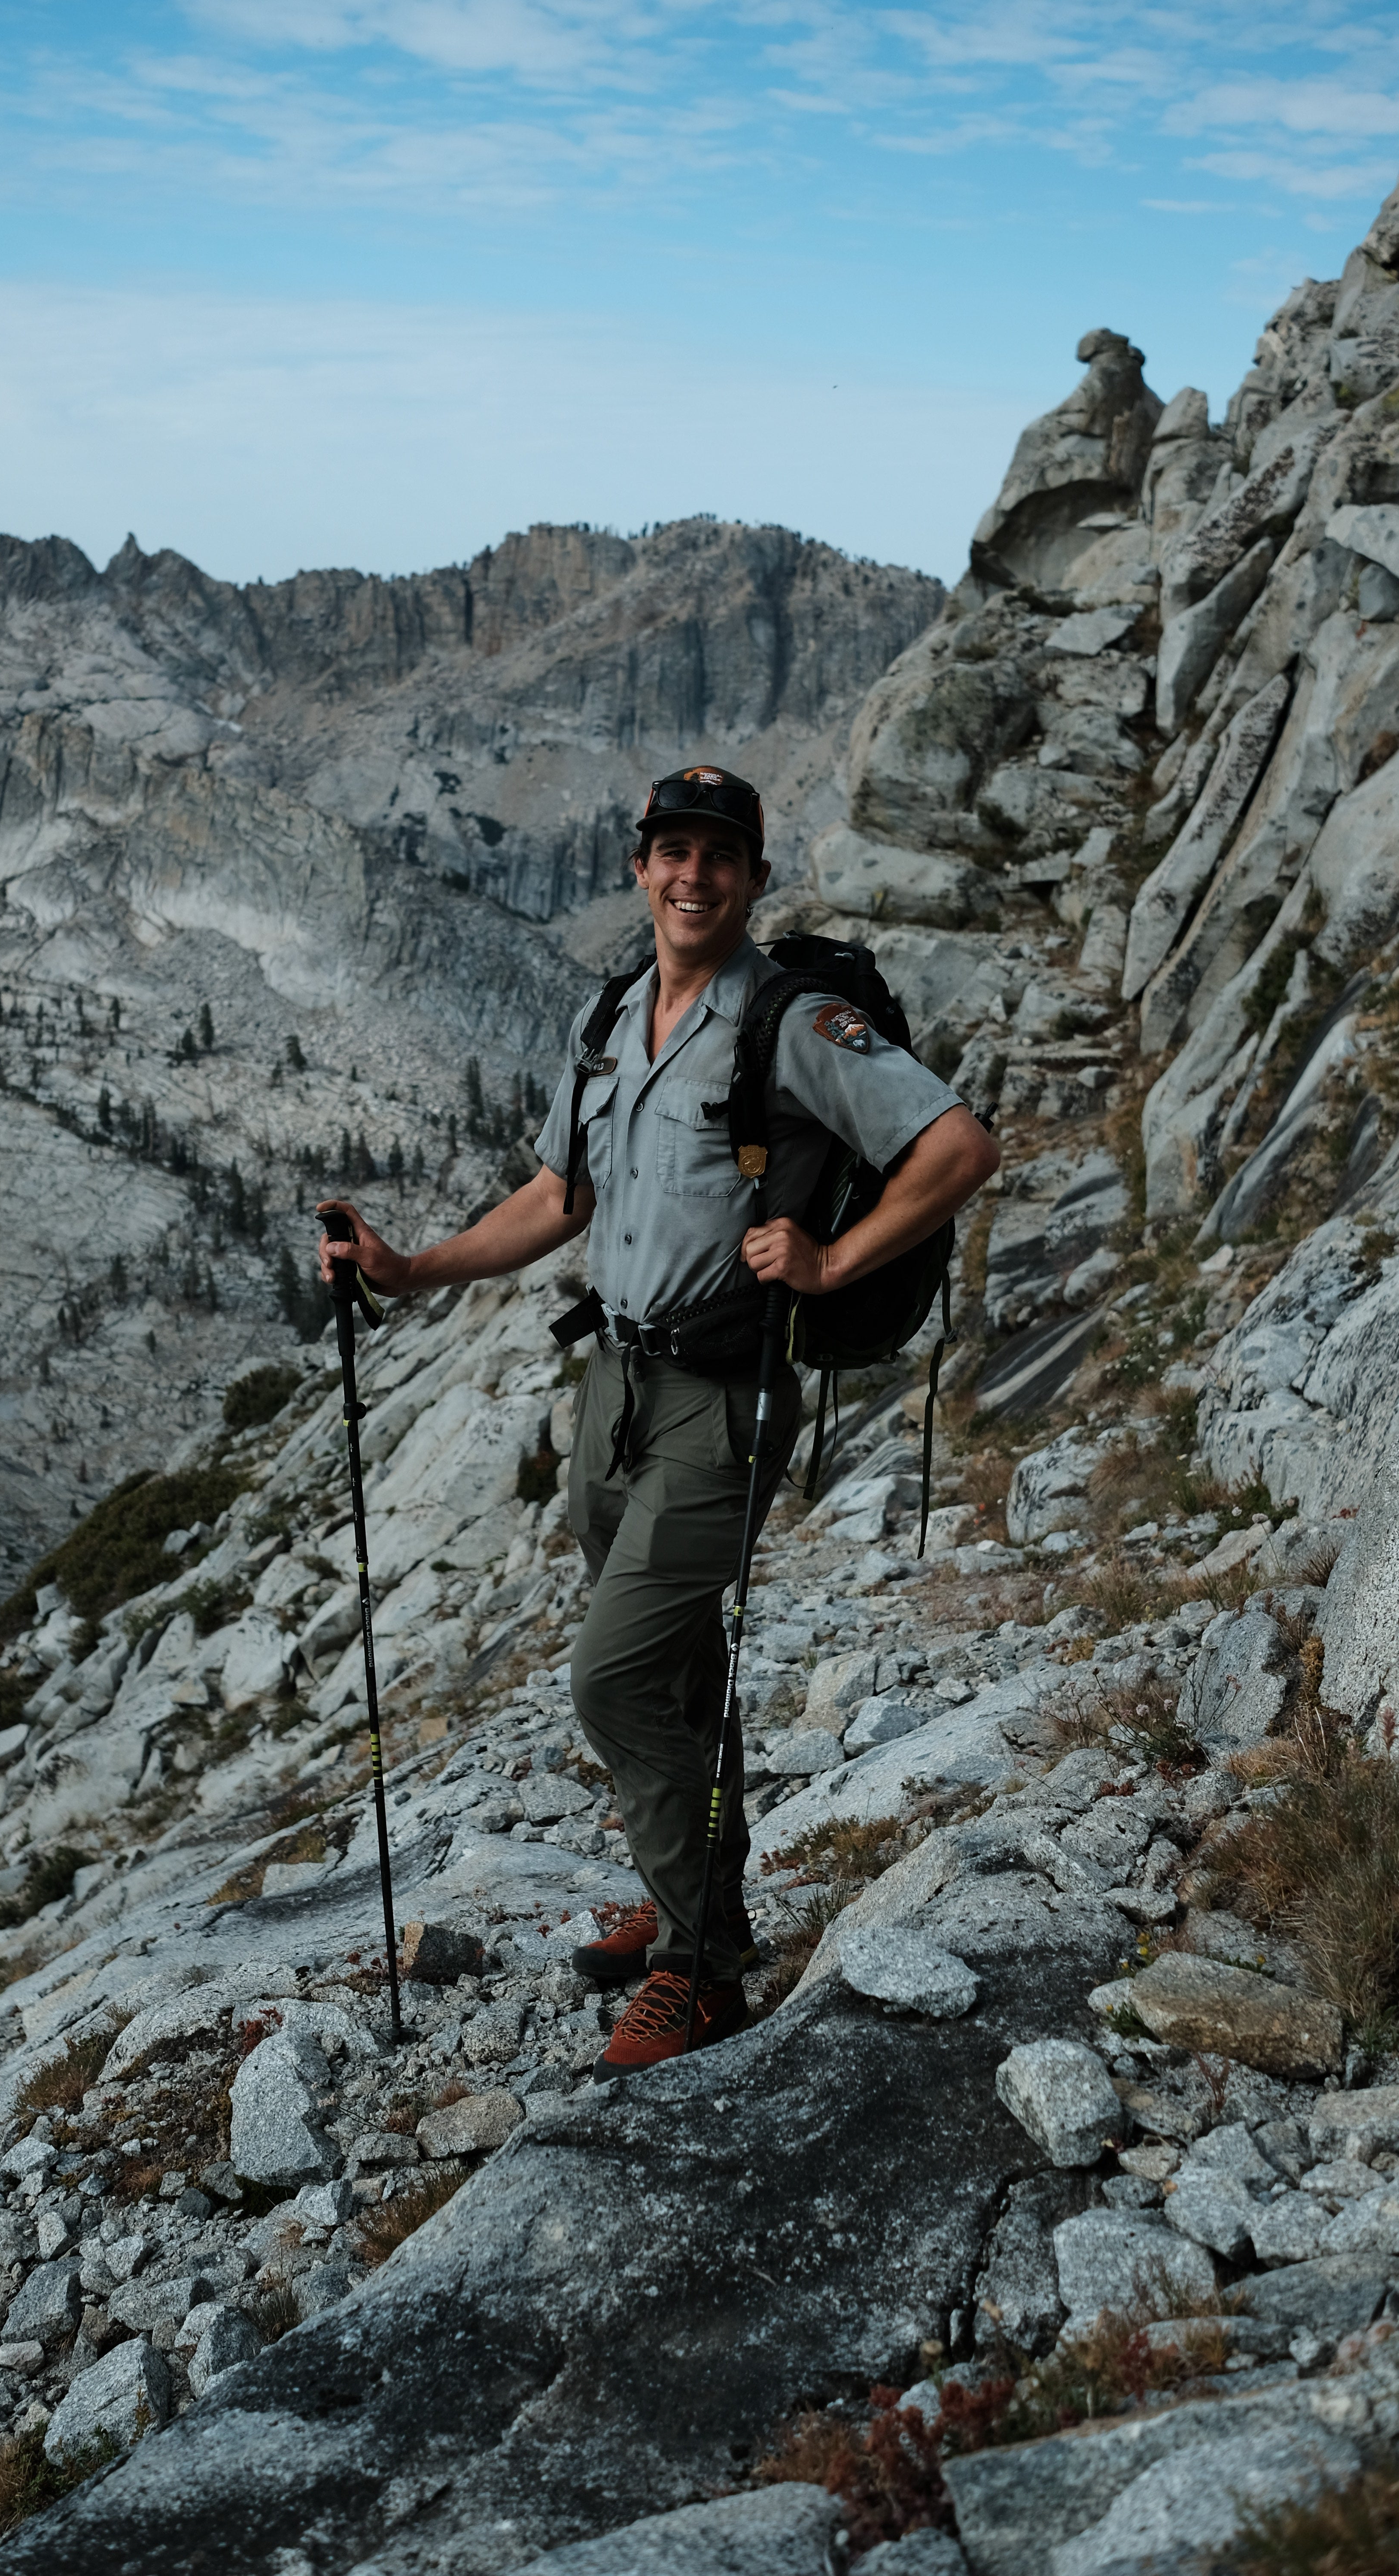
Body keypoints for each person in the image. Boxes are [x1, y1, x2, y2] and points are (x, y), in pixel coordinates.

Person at [316, 765, 998, 2075]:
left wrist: (833, 1263)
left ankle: (701, 1971)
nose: (694, 877)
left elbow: (960, 1149)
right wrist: (410, 1270)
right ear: (640, 867)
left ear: (753, 878)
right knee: (678, 1669)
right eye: (672, 852)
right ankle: (693, 1894)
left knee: (616, 1677)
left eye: (719, 857)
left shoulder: (791, 1026)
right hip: (617, 1390)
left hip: (724, 1401)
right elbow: (559, 1200)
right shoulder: (613, 1014)